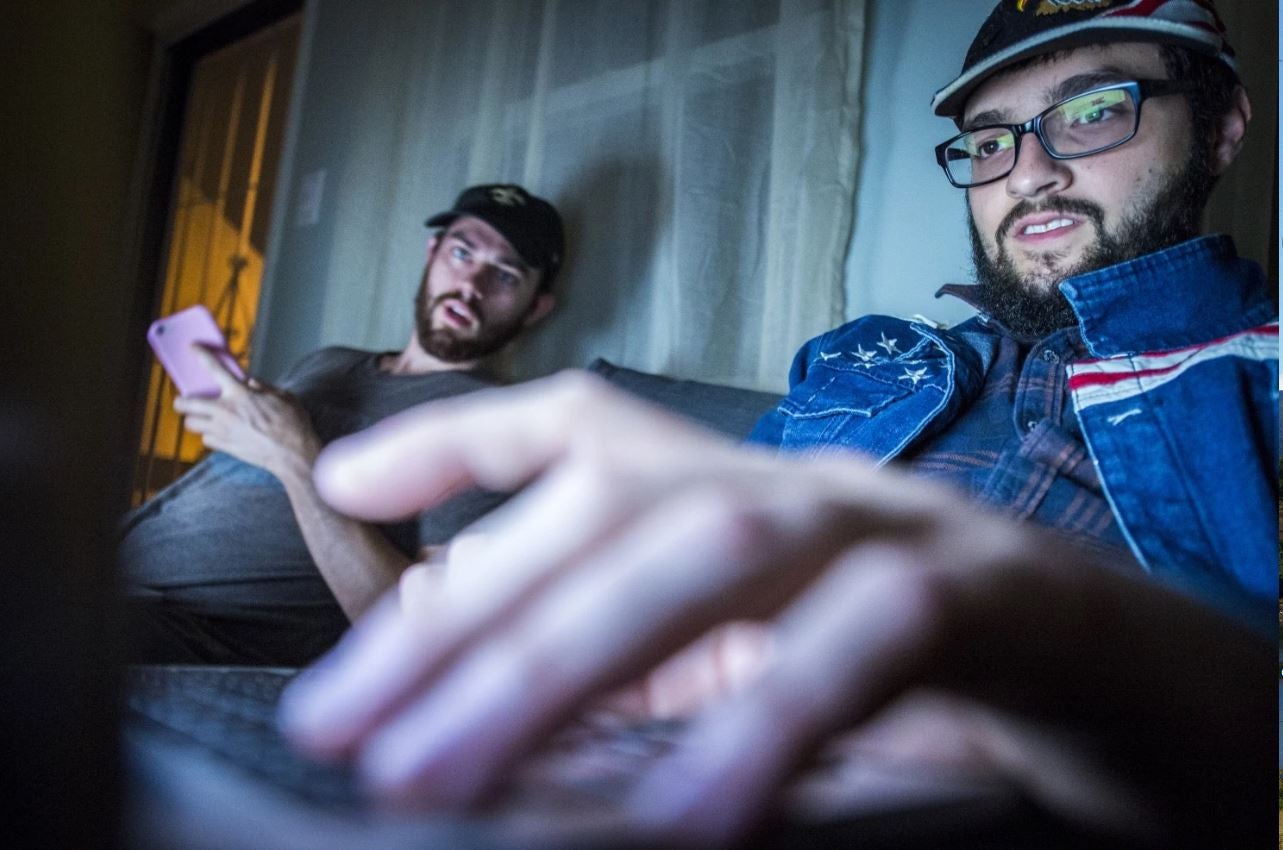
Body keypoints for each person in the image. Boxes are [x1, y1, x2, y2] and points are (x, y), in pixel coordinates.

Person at [279, 2, 1275, 846]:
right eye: (988, 139)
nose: (1027, 175)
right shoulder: (865, 359)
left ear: (1222, 124)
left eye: (1093, 111)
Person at [119, 184, 564, 665]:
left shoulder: (489, 423)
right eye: (461, 252)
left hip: (193, 627)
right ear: (432, 253)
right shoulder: (330, 362)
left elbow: (415, 633)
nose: (472, 284)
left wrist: (296, 457)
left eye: (505, 275)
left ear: (536, 307)